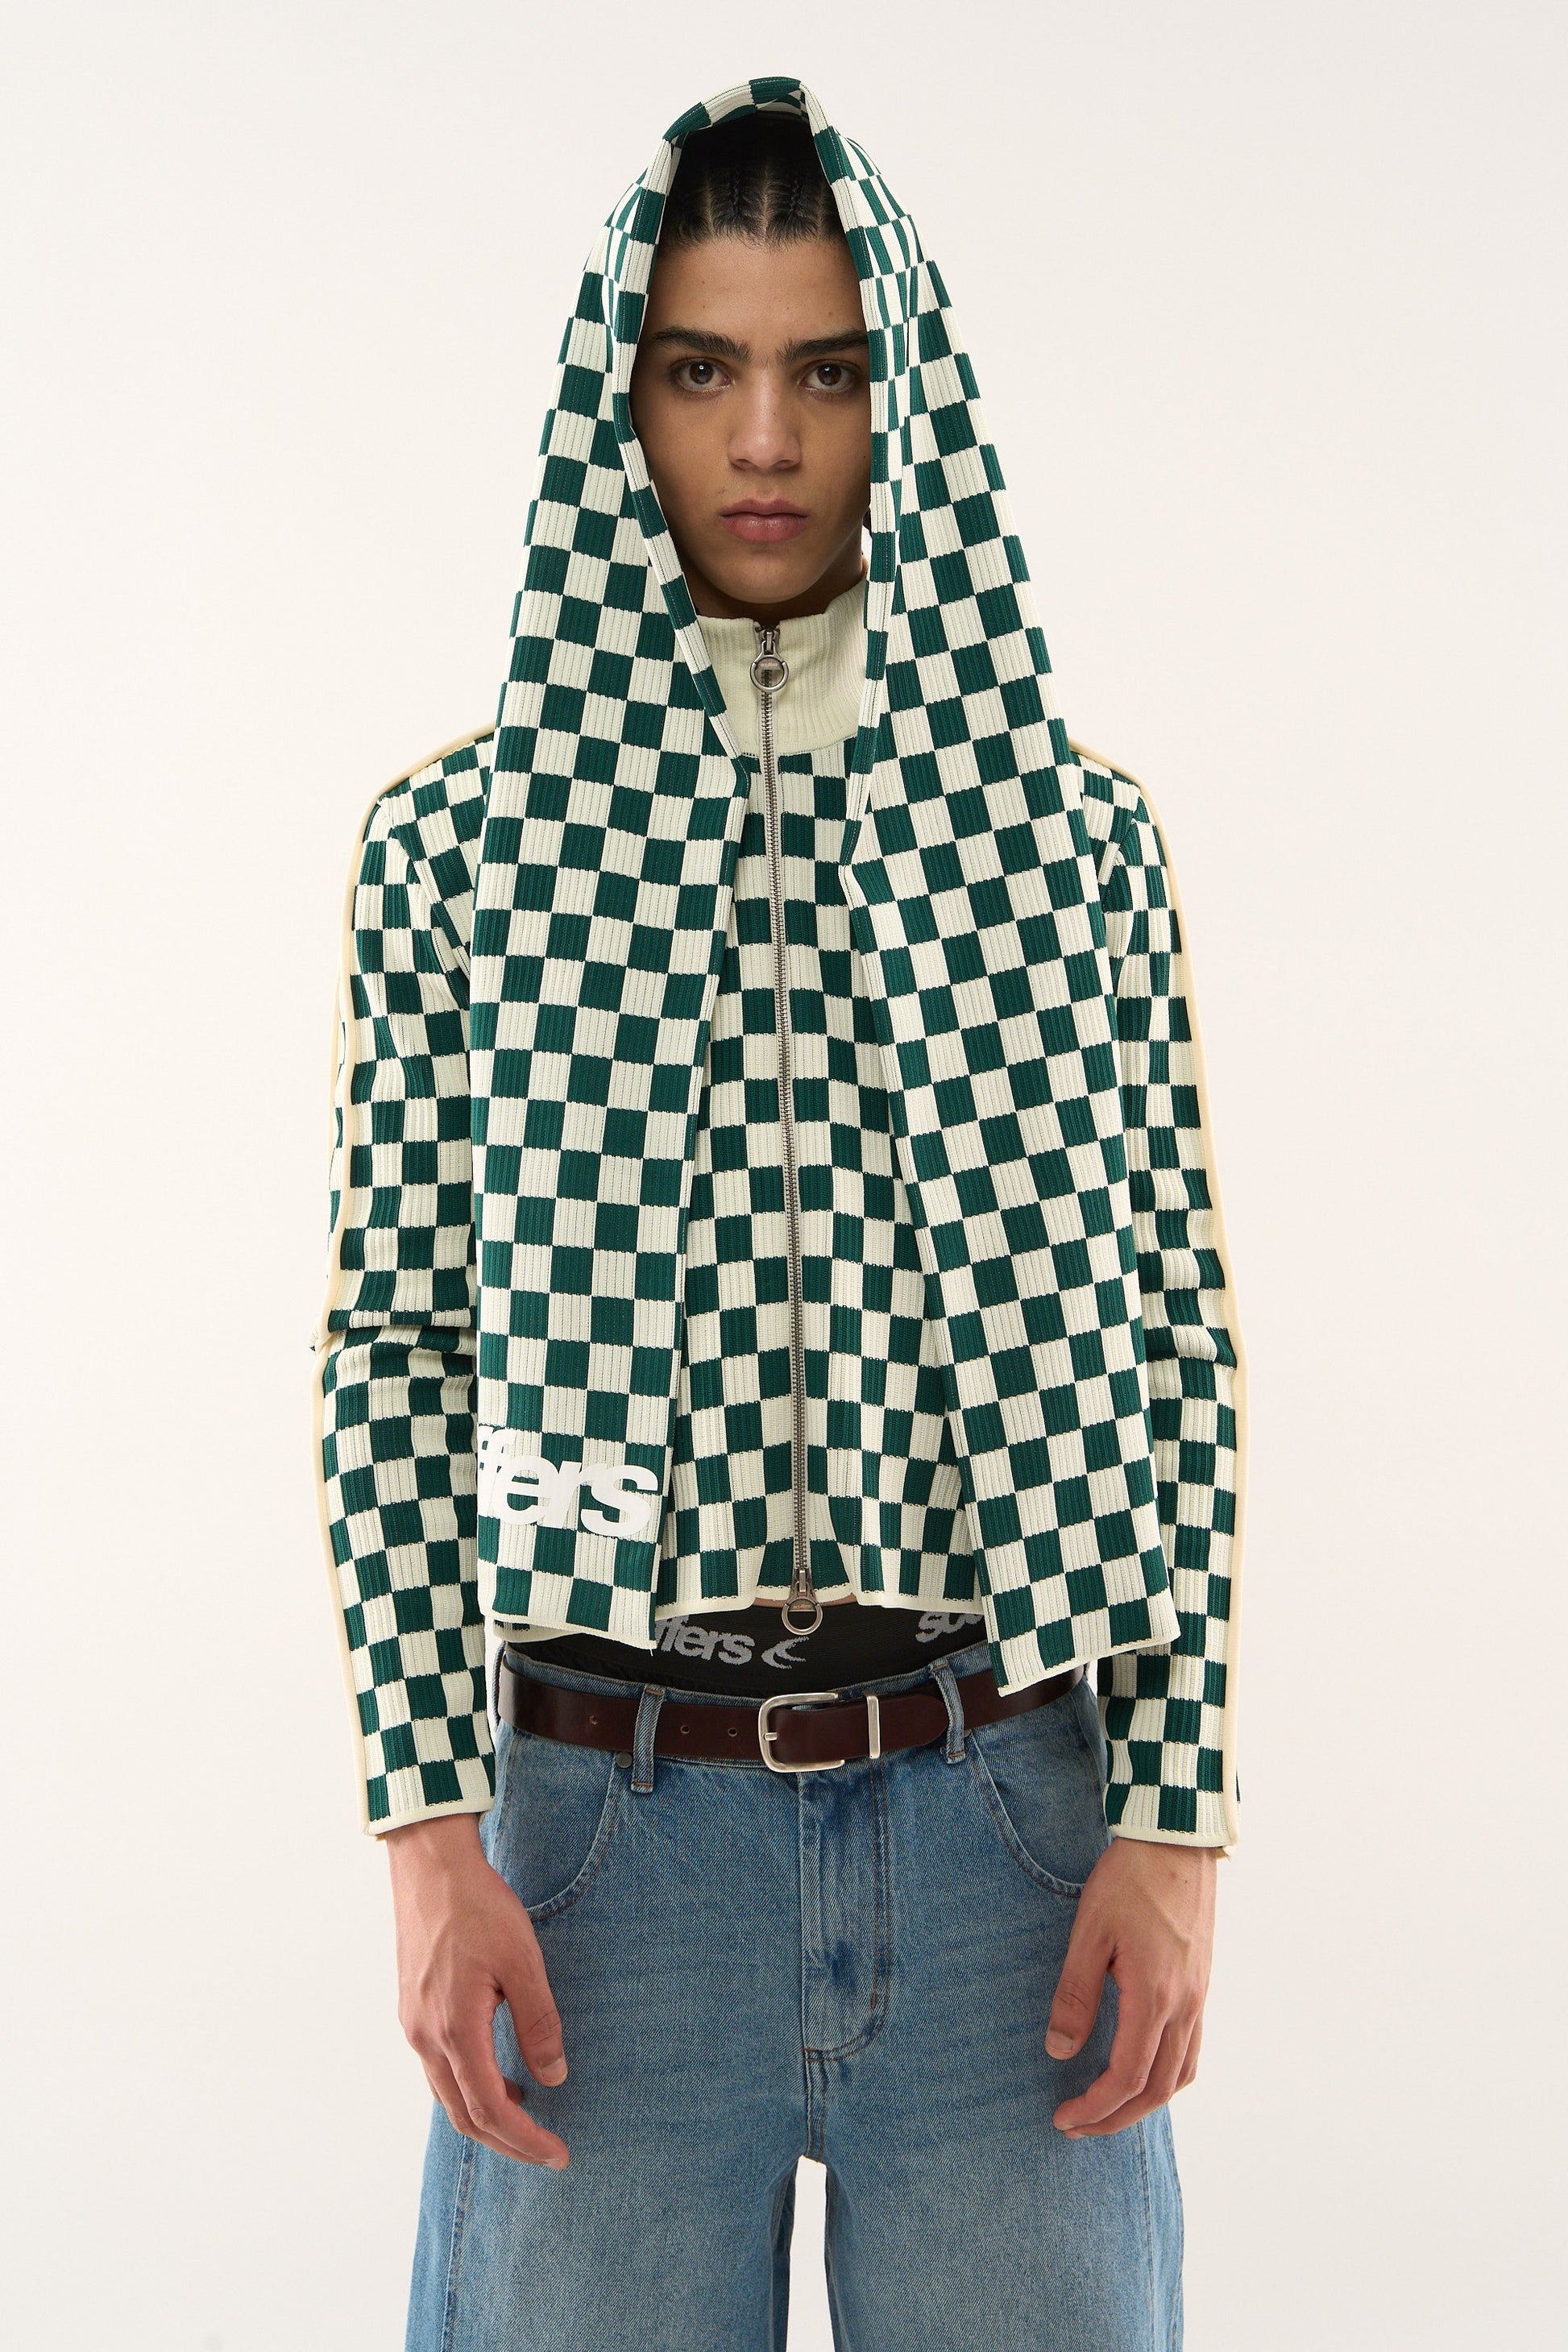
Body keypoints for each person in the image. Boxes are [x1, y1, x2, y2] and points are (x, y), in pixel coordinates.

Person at [313, 80, 1247, 2352]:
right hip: (604, 1835)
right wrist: (430, 1837)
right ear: (618, 398)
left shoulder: (1068, 841)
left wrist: (1174, 1820)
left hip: (1010, 1816)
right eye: (700, 367)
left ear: (898, 394)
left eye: (826, 369)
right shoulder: (464, 852)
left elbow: (1170, 1329)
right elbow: (400, 1353)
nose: (762, 438)